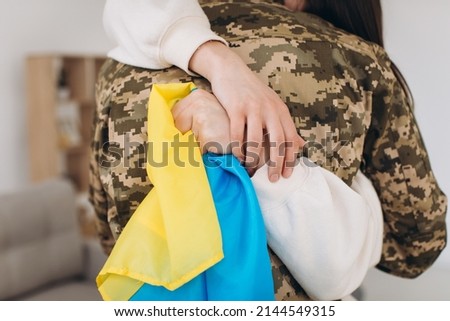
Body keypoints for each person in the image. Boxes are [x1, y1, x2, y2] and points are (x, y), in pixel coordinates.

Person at [90, 0, 447, 300]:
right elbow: (417, 245)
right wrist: (358, 208)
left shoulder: (117, 67)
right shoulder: (356, 58)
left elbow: (109, 232)